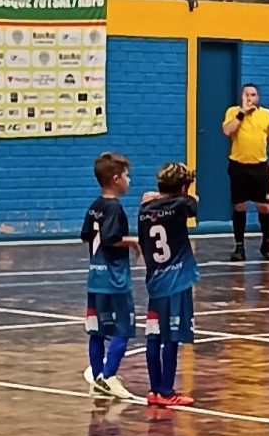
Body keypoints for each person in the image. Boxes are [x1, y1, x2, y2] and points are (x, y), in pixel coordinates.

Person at [137, 163, 200, 408]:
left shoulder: (144, 210)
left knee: (153, 335)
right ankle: (166, 391)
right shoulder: (182, 205)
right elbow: (194, 203)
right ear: (183, 188)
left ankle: (154, 389)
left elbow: (151, 199)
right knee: (172, 337)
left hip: (155, 280)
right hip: (176, 281)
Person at [80, 152, 140, 404]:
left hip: (95, 277)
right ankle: (109, 375)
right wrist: (133, 242)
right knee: (123, 328)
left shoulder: (95, 206)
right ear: (116, 179)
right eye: (127, 175)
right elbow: (111, 238)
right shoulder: (114, 207)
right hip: (115, 279)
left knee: (97, 330)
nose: (129, 180)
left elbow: (86, 235)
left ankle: (97, 377)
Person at [222, 83, 269, 262]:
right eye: (246, 95)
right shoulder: (233, 112)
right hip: (238, 166)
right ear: (241, 97)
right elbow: (227, 131)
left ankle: (266, 242)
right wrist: (242, 113)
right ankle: (239, 246)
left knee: (264, 206)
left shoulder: (267, 114)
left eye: (253, 95)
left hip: (259, 167)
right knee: (240, 205)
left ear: (258, 97)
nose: (250, 98)